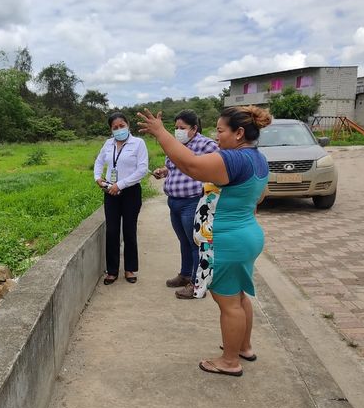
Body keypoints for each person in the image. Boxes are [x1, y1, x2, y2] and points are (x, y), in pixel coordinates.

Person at [138, 105, 271, 377]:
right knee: (239, 295)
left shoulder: (234, 159)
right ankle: (243, 347)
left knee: (228, 303)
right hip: (246, 234)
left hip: (227, 240)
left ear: (239, 133)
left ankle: (229, 362)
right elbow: (260, 195)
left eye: (221, 130)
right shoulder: (257, 158)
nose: (217, 136)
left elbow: (192, 165)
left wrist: (161, 133)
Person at [152, 110, 218, 299]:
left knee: (196, 243)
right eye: (176, 127)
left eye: (182, 128)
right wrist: (164, 171)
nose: (178, 131)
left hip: (192, 201)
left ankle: (196, 284)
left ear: (194, 128)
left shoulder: (206, 144)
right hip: (174, 201)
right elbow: (173, 167)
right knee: (184, 241)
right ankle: (185, 274)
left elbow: (219, 164)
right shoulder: (176, 145)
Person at [94, 112, 149, 285]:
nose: (119, 130)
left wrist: (121, 184)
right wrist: (97, 178)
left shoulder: (138, 143)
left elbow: (142, 169)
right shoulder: (108, 144)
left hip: (131, 192)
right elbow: (99, 161)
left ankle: (129, 269)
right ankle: (112, 271)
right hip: (111, 192)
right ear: (111, 129)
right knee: (112, 231)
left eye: (121, 126)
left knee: (129, 230)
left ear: (128, 125)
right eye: (115, 127)